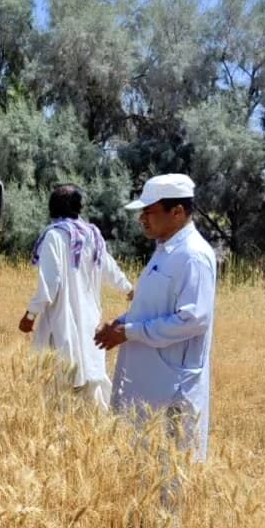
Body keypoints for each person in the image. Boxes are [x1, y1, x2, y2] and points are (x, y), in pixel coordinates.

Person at [94, 174, 217, 480]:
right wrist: (122, 323)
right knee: (145, 469)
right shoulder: (165, 251)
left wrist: (129, 332)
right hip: (150, 384)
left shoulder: (193, 256)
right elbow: (153, 307)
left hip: (171, 387)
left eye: (149, 212)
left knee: (169, 473)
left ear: (177, 212)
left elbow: (194, 319)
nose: (142, 219)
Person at [20, 185, 133, 407]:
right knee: (91, 381)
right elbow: (110, 268)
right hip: (90, 319)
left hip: (63, 318)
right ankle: (99, 431)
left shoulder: (54, 236)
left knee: (58, 385)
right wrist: (129, 289)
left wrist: (30, 315)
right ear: (79, 208)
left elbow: (50, 284)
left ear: (52, 208)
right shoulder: (92, 235)